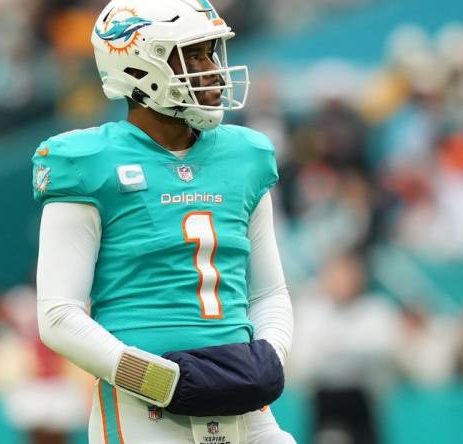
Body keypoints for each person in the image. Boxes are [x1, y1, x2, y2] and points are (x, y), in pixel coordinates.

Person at [32, 1, 295, 443]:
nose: (212, 69)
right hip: (145, 413)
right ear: (138, 66)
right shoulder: (88, 162)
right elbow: (58, 315)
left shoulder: (245, 155)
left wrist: (267, 361)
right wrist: (159, 382)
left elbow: (270, 292)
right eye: (194, 55)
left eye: (211, 53)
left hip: (244, 407)